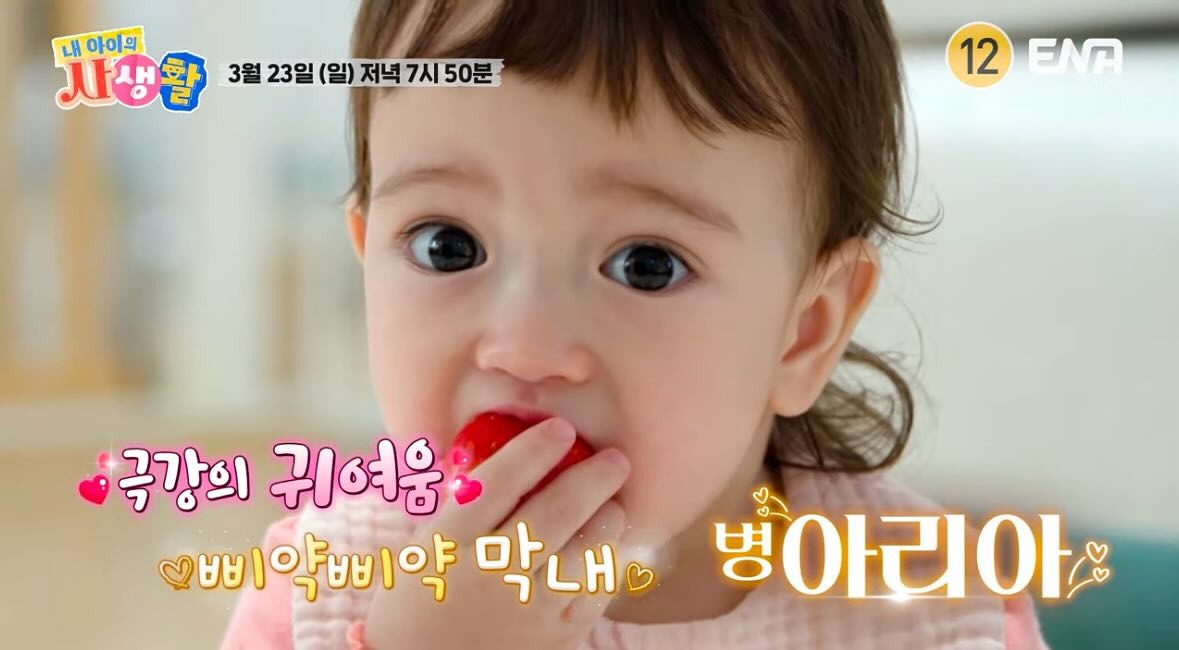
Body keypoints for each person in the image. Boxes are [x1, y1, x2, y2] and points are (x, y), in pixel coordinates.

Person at [224, 1, 1050, 648]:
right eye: (448, 246)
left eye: (645, 264)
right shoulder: (322, 588)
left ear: (802, 331)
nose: (524, 347)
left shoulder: (927, 608)